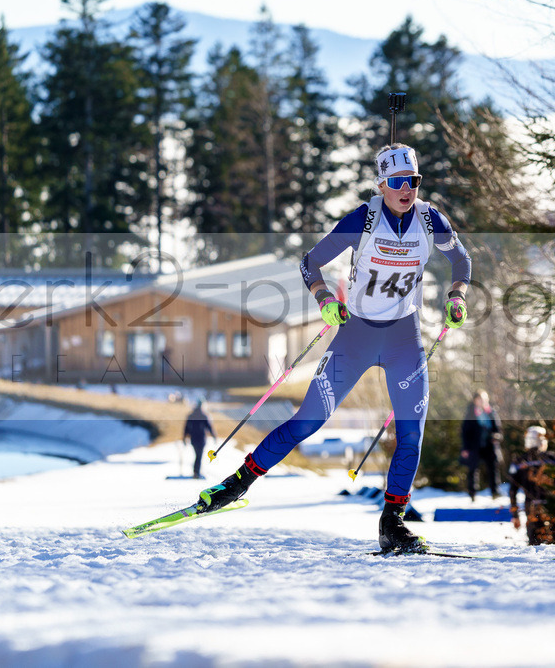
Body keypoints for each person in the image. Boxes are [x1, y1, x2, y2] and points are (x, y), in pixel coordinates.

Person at [194, 143, 472, 553]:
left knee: (411, 434)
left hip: (403, 339)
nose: (407, 189)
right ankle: (237, 484)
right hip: (356, 336)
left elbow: (462, 262)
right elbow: (310, 262)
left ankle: (392, 522)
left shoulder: (431, 221)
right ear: (381, 184)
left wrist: (457, 296)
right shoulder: (364, 218)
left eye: (413, 181)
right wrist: (324, 298)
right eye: (397, 182)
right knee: (308, 421)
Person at [508, 425, 555, 546]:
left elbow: (512, 491)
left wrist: (515, 514)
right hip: (551, 505)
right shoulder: (554, 459)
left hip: (533, 505)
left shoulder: (519, 462)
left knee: (535, 545)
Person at [460, 390, 502, 501]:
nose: (482, 401)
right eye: (480, 399)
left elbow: (497, 428)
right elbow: (465, 432)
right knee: (473, 469)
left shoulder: (491, 412)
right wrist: (465, 448)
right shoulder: (470, 413)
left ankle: (495, 492)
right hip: (475, 445)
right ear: (475, 400)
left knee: (493, 468)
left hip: (489, 445)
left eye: (484, 399)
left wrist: (496, 436)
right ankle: (472, 493)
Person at [183, 398, 216, 479]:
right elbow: (209, 427)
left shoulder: (191, 415)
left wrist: (184, 438)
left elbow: (186, 428)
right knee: (199, 456)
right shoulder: (204, 415)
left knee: (197, 455)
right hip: (201, 439)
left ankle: (196, 472)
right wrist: (214, 436)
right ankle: (196, 473)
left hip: (193, 439)